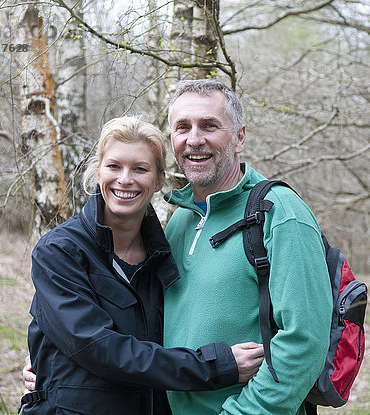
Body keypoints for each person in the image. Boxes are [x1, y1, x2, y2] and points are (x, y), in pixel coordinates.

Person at [20, 116, 264, 415]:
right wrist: (216, 366)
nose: (125, 179)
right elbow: (97, 347)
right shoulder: (60, 251)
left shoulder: (166, 249)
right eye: (114, 166)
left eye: (140, 168)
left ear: (159, 179)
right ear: (98, 172)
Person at [161, 79, 333, 414]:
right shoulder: (178, 222)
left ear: (239, 137)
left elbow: (304, 341)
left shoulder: (280, 213)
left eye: (210, 126)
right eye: (183, 127)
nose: (194, 139)